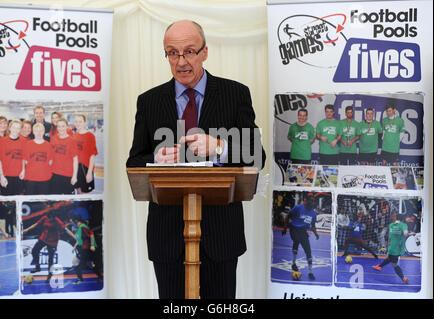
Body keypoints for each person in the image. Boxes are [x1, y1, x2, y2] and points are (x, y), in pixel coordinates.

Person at [126, 20, 266, 299]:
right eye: (172, 53)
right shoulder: (149, 101)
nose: (181, 61)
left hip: (220, 234)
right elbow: (135, 162)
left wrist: (219, 147)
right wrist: (156, 157)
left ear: (204, 52)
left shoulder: (235, 94)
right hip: (167, 235)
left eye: (189, 51)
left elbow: (256, 155)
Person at [23, 210, 76, 283]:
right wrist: (27, 229)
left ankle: (49, 275)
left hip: (53, 241)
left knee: (50, 259)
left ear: (54, 217)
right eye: (49, 218)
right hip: (44, 238)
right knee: (34, 251)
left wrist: (75, 238)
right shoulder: (45, 217)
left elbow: (66, 230)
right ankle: (37, 267)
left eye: (51, 218)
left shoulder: (57, 221)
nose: (50, 219)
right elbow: (36, 224)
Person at [282, 192, 319, 280]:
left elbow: (313, 226)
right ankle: (294, 263)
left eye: (313, 200)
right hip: (294, 228)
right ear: (306, 200)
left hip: (303, 231)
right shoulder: (298, 208)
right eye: (311, 200)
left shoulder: (313, 214)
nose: (312, 202)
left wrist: (316, 233)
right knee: (297, 240)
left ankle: (310, 272)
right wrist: (284, 228)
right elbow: (288, 216)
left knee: (308, 251)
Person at [372, 214, 414, 284]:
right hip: (397, 249)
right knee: (395, 264)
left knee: (389, 258)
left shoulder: (391, 225)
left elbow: (390, 237)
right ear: (403, 219)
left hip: (391, 247)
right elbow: (405, 234)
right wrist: (411, 233)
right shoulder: (403, 225)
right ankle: (403, 278)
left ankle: (379, 266)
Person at [23, 123, 54, 195]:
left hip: (44, 178)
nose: (39, 133)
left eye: (41, 131)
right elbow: (25, 161)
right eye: (36, 131)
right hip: (31, 178)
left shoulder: (48, 145)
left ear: (44, 132)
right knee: (30, 201)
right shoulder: (28, 144)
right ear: (33, 132)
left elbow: (50, 161)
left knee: (43, 202)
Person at [71, 216, 103, 284]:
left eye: (76, 222)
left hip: (86, 249)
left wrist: (92, 245)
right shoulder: (80, 228)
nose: (75, 224)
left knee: (76, 263)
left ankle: (80, 279)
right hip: (84, 249)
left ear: (79, 222)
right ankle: (100, 276)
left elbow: (91, 234)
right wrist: (74, 247)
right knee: (90, 265)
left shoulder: (83, 226)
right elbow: (79, 240)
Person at [50, 118, 78, 194]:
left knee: (67, 201)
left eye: (63, 126)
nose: (61, 128)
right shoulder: (53, 138)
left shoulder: (72, 140)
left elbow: (75, 160)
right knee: (55, 201)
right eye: (59, 126)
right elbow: (51, 157)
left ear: (67, 127)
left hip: (67, 174)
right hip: (55, 173)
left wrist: (74, 176)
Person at [0, 120, 25, 195]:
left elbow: (24, 158)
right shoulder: (2, 141)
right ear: (9, 128)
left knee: (18, 200)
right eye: (14, 127)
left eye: (18, 128)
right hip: (6, 176)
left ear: (20, 129)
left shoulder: (24, 141)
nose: (16, 130)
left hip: (19, 175)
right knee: (7, 201)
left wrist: (23, 170)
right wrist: (1, 176)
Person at [73, 114, 98, 194]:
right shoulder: (74, 135)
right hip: (77, 168)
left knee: (85, 195)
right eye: (76, 122)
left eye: (80, 122)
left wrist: (89, 172)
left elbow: (92, 155)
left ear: (85, 123)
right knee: (78, 192)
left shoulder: (90, 136)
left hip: (86, 168)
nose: (78, 124)